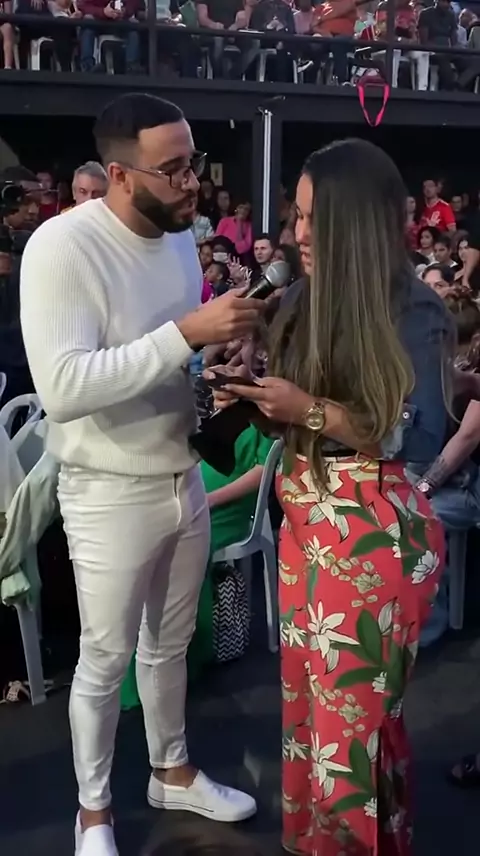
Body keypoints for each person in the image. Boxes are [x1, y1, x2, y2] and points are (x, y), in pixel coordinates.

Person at [20, 93, 264, 856]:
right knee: (104, 660)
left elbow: (160, 358)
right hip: (106, 488)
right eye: (174, 168)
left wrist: (208, 371)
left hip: (181, 475)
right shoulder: (60, 248)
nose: (193, 182)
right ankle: (92, 814)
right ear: (121, 176)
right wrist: (185, 333)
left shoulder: (180, 236)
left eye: (194, 162)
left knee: (171, 644)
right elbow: (64, 388)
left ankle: (172, 771)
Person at [211, 139, 450, 856]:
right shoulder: (302, 297)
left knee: (351, 731)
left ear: (358, 221)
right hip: (306, 522)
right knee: (313, 716)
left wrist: (307, 408)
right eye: (299, 216)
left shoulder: (415, 309)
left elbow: (417, 435)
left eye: (316, 219)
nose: (300, 233)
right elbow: (296, 416)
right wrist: (252, 398)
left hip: (372, 528)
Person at [418, 0, 458, 90]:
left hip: (448, 50)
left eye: (448, 2)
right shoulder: (426, 14)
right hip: (431, 50)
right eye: (443, 1)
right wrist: (436, 49)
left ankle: (460, 85)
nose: (446, 4)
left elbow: (454, 39)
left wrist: (454, 50)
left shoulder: (451, 15)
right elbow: (424, 41)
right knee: (444, 62)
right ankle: (447, 91)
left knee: (470, 60)